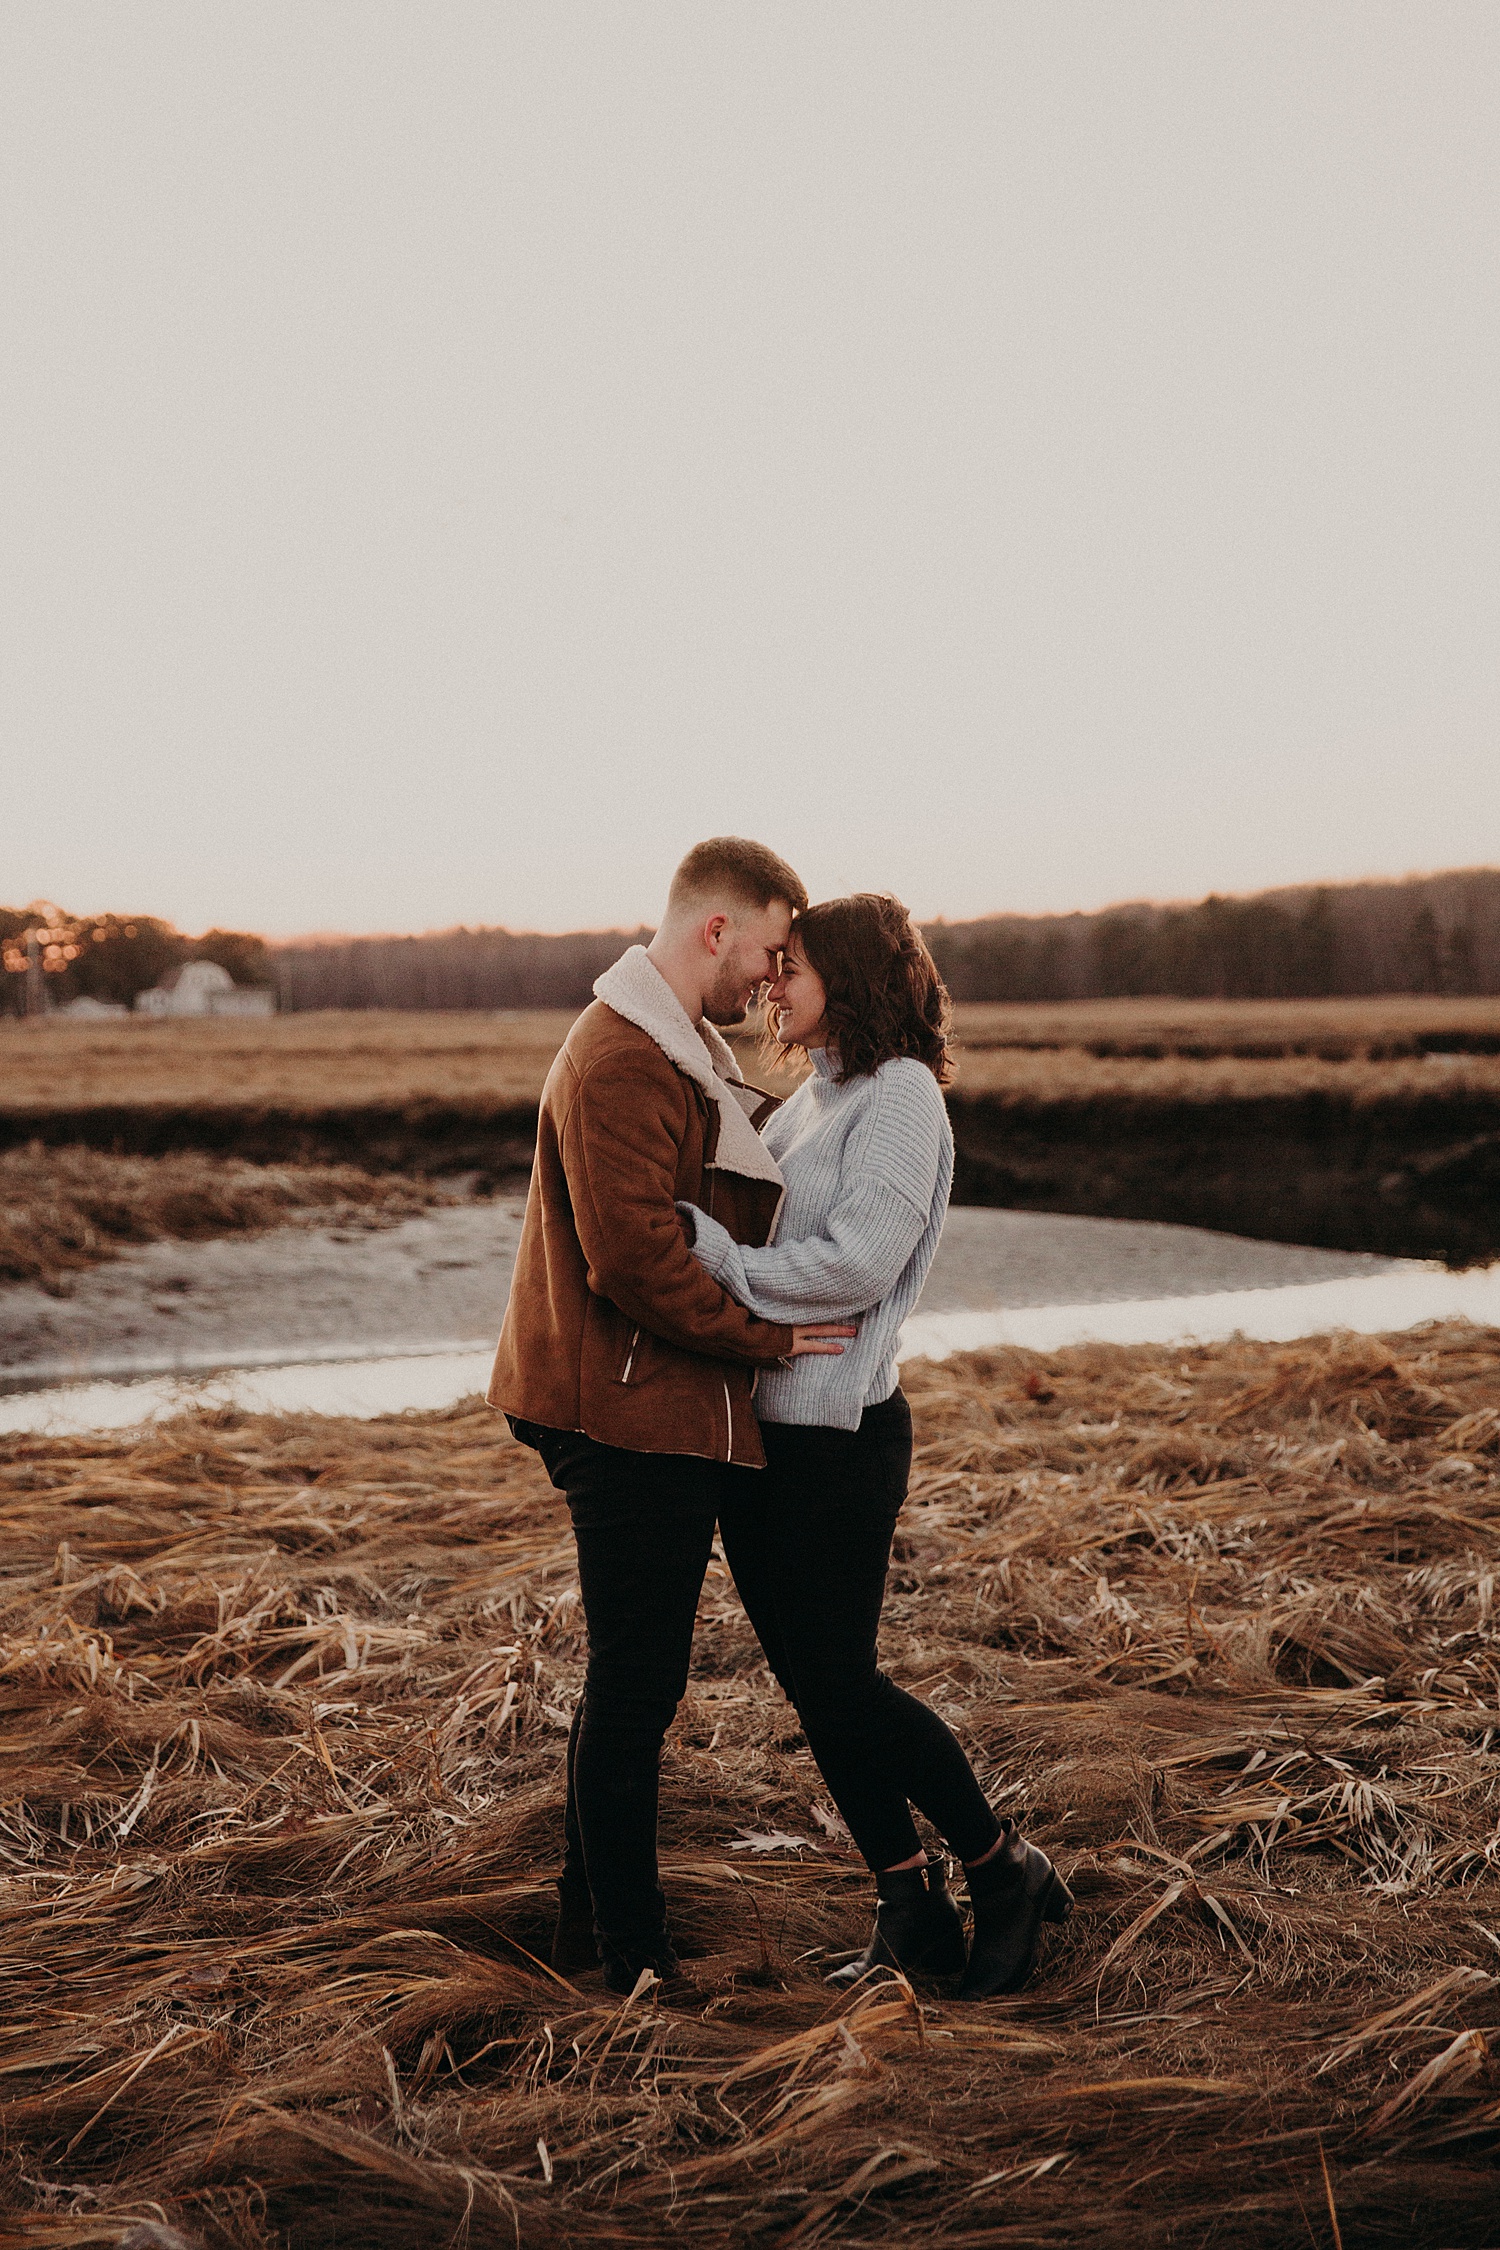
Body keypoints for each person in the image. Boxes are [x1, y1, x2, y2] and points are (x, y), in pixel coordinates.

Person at [680, 894, 1072, 1998]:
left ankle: (1003, 1870)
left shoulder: (899, 1098)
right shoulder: (821, 1092)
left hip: (842, 1439)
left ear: (847, 976)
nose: (771, 984)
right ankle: (908, 1904)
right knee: (814, 1689)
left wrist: (720, 1267)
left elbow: (858, 1262)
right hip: (772, 1432)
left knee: (842, 1685)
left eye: (791, 967)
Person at [488, 837, 854, 1994]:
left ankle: (590, 1932)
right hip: (621, 1411)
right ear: (717, 929)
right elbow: (635, 1263)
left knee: (629, 1683)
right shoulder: (625, 1062)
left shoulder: (669, 1045)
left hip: (636, 1396)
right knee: (636, 1688)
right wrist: (771, 1337)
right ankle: (632, 1961)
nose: (769, 975)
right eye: (769, 948)